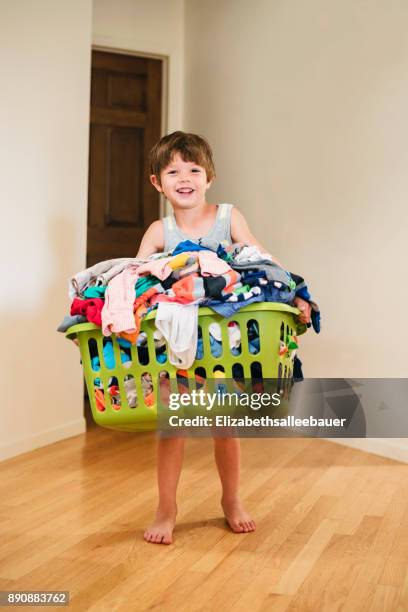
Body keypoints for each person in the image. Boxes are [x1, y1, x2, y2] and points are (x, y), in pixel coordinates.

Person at [137, 131, 311, 544]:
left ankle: (231, 500)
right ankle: (166, 508)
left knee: (224, 427)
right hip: (175, 344)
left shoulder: (228, 217)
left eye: (194, 169)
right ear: (157, 182)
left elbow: (261, 260)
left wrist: (298, 292)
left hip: (224, 345)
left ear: (208, 177)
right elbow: (134, 278)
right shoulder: (159, 230)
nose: (185, 178)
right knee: (173, 428)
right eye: (173, 170)